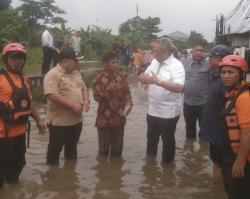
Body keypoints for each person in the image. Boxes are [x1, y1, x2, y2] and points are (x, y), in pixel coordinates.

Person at [0, 43, 46, 188]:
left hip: (20, 133)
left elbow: (29, 103)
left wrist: (39, 120)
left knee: (17, 170)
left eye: (20, 57)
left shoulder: (24, 79)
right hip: (2, 136)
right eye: (13, 57)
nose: (17, 61)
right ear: (6, 59)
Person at [138, 38, 185, 163]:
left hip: (168, 113)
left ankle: (168, 171)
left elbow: (179, 88)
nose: (152, 53)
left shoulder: (177, 65)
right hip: (152, 110)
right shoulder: (154, 62)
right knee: (151, 139)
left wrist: (158, 82)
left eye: (154, 50)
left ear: (162, 50)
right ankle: (150, 168)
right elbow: (147, 77)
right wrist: (142, 78)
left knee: (168, 141)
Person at [43, 47, 89, 165]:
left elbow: (84, 88)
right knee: (55, 151)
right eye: (75, 61)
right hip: (59, 123)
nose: (77, 63)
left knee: (72, 149)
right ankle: (52, 177)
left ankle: (70, 175)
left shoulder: (76, 73)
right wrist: (73, 105)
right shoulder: (52, 74)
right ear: (64, 61)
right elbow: (51, 94)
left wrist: (86, 100)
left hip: (76, 121)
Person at [219, 55, 250, 198]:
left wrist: (240, 160)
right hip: (230, 154)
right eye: (223, 72)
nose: (225, 76)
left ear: (242, 74)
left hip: (239, 157)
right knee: (231, 190)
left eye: (230, 72)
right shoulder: (231, 94)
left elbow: (247, 132)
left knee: (238, 193)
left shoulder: (244, 98)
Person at [199, 44, 232, 178]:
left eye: (210, 58)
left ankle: (218, 189)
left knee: (220, 164)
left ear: (218, 60)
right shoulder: (216, 77)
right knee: (217, 162)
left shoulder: (225, 81)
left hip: (221, 135)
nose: (208, 61)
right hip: (215, 132)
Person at [92, 51, 133, 156]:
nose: (116, 65)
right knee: (103, 152)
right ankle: (105, 171)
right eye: (112, 62)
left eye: (117, 62)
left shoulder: (121, 77)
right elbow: (96, 98)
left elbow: (127, 93)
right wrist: (108, 90)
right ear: (105, 64)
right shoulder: (98, 79)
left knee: (117, 152)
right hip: (103, 119)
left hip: (119, 118)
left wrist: (129, 105)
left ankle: (116, 171)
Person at [183, 44, 210, 139]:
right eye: (196, 50)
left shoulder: (209, 65)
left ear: (204, 52)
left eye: (201, 50)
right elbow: (182, 80)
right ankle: (190, 151)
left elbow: (212, 83)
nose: (199, 52)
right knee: (189, 130)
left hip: (203, 104)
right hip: (187, 102)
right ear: (192, 52)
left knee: (205, 130)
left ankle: (203, 151)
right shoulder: (186, 63)